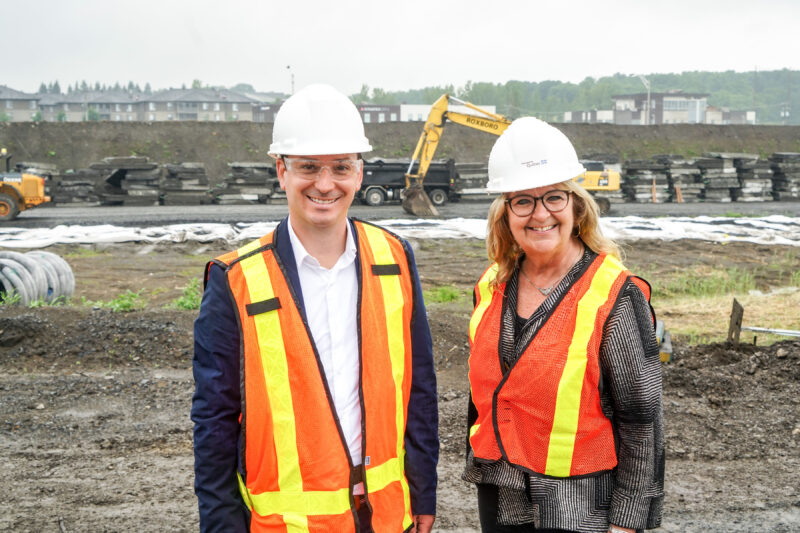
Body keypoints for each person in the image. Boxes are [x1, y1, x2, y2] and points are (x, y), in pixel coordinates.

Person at [191, 83, 438, 533]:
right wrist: (222, 523)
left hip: (384, 518)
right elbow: (215, 418)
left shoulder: (395, 258)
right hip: (288, 525)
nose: (325, 184)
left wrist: (424, 492)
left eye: (340, 168)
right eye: (309, 168)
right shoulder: (237, 280)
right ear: (281, 171)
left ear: (359, 173)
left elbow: (418, 387)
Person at [463, 117, 664, 533]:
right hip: (503, 493)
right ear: (506, 212)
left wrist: (627, 522)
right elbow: (485, 395)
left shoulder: (614, 294)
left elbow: (642, 418)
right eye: (523, 201)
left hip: (580, 503)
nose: (540, 214)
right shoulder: (491, 286)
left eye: (553, 197)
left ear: (576, 205)